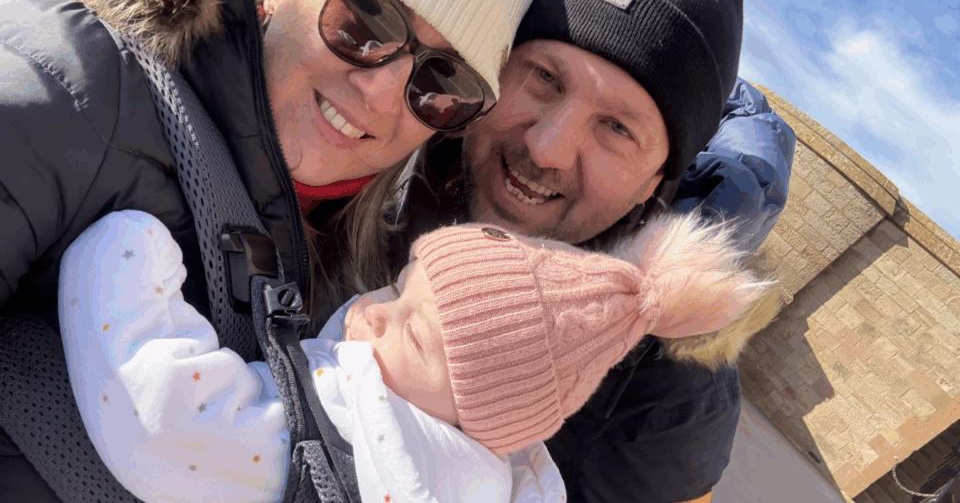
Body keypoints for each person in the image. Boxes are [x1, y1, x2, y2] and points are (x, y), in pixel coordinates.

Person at [0, 0, 537, 499]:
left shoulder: (364, 294)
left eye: (443, 83)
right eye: (366, 19)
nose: (379, 92)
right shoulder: (79, 76)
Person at [373, 0, 797, 501]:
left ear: (654, 184)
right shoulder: (382, 152)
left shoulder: (671, 402)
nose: (545, 147)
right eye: (545, 78)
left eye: (617, 127)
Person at [58, 208, 765, 502]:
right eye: (399, 289)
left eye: (416, 335)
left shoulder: (357, 436)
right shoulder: (493, 479)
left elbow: (165, 420)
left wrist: (131, 246)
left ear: (474, 414)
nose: (374, 311)